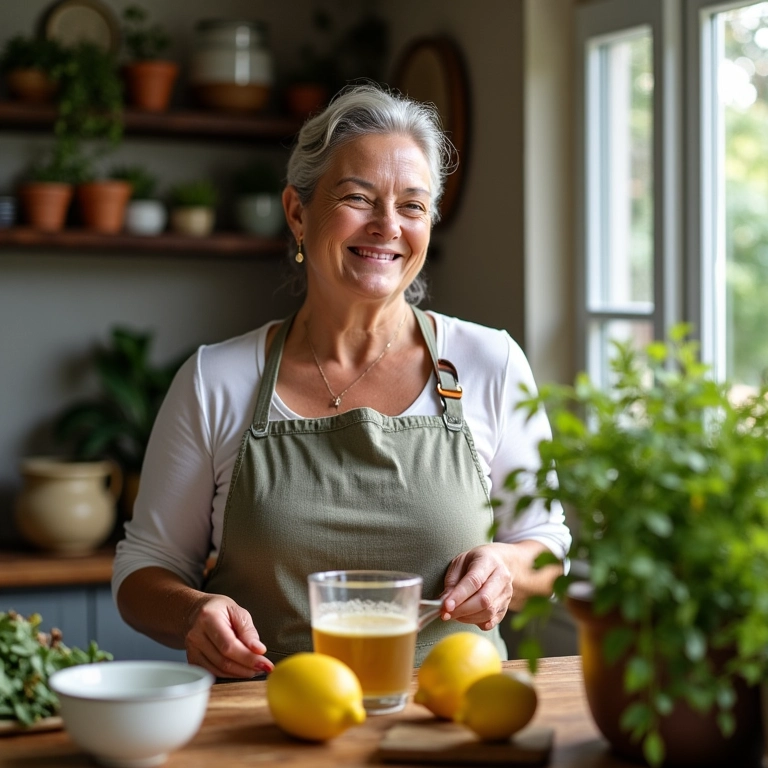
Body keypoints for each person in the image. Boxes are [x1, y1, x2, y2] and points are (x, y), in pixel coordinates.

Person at [112, 83, 571, 680]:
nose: (387, 226)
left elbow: (546, 545)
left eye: (412, 206)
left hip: (455, 717)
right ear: (297, 212)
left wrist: (508, 567)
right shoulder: (215, 380)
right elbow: (142, 572)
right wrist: (192, 612)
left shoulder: (490, 362)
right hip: (274, 721)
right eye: (358, 198)